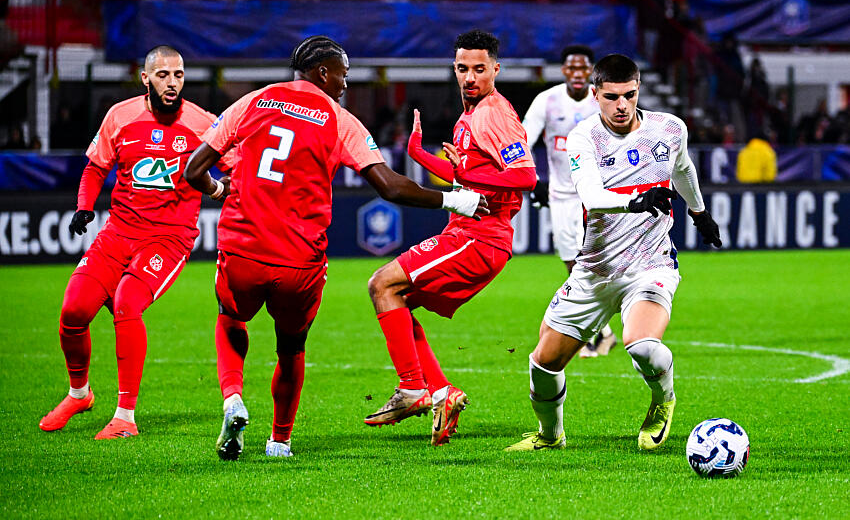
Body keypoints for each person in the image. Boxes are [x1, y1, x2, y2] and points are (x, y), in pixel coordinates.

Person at [183, 35, 487, 460]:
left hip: (242, 248)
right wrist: (455, 198)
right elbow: (389, 186)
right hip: (298, 260)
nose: (345, 83)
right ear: (323, 71)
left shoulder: (252, 102)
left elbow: (194, 169)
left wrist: (219, 189)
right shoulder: (338, 118)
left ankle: (233, 397)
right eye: (343, 73)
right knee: (291, 347)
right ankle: (279, 441)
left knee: (231, 318)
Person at [505, 54, 722, 452]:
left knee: (640, 344)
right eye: (611, 97)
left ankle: (662, 402)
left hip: (650, 264)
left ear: (639, 90)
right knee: (543, 363)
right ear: (595, 95)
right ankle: (551, 436)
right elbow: (590, 195)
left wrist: (700, 213)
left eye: (629, 95)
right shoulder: (583, 136)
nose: (622, 105)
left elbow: (684, 169)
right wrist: (638, 201)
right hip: (595, 268)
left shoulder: (669, 128)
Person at [38, 45, 229, 439]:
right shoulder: (120, 116)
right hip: (118, 233)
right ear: (146, 78)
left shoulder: (202, 123)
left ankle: (125, 417)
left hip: (168, 240)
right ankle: (79, 393)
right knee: (73, 311)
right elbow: (95, 168)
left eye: (178, 75)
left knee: (126, 304)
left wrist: (224, 188)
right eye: (163, 75)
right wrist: (83, 207)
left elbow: (236, 166)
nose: (172, 82)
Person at [364, 30, 536, 446]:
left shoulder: (493, 113)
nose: (470, 77)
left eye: (480, 68)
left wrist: (462, 173)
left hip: (480, 235)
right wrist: (421, 155)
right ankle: (442, 393)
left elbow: (525, 176)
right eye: (463, 68)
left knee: (382, 284)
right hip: (468, 232)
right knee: (397, 302)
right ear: (454, 69)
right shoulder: (469, 115)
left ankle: (413, 389)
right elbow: (469, 179)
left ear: (496, 69)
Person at [522, 45, 618, 359]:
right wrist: (531, 178)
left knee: (593, 261)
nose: (577, 74)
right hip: (562, 196)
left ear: (590, 71)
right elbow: (524, 141)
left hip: (596, 194)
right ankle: (602, 330)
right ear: (564, 71)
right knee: (571, 264)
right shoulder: (547, 101)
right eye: (571, 69)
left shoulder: (603, 100)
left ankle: (598, 330)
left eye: (582, 69)